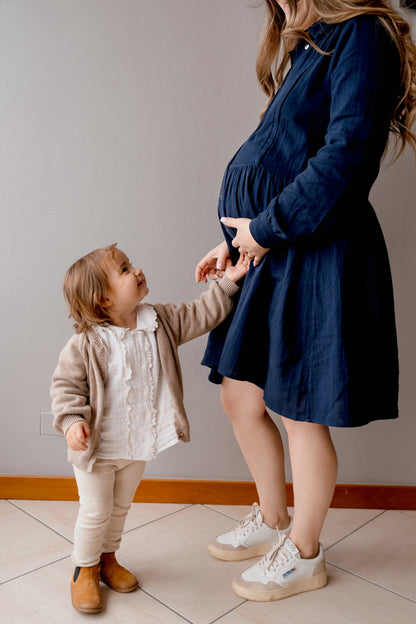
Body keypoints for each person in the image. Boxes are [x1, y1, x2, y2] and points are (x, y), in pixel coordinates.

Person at [195, 0, 416, 603]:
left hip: (318, 248)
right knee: (241, 395)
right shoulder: (307, 43)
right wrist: (237, 244)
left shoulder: (361, 35)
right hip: (273, 247)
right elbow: (279, 156)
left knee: (298, 408)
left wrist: (265, 230)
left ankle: (306, 550)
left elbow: (344, 157)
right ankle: (271, 520)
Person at [50, 243, 248, 613]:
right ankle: (85, 570)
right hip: (96, 450)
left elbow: (201, 314)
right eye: (124, 270)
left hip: (137, 441)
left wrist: (228, 284)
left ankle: (108, 559)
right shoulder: (86, 344)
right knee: (95, 511)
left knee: (120, 507)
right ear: (103, 300)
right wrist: (73, 421)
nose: (137, 270)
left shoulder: (159, 321)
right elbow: (65, 388)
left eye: (130, 264)